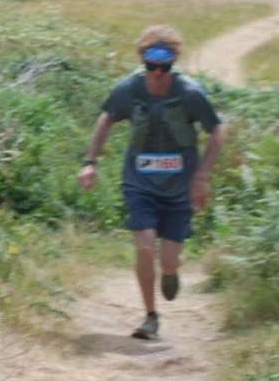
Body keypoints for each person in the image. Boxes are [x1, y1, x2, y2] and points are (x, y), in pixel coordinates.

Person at [76, 27, 225, 340]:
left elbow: (217, 131)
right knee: (144, 247)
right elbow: (106, 119)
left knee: (168, 260)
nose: (157, 74)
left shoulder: (189, 93)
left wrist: (201, 176)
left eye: (164, 67)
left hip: (179, 187)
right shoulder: (129, 89)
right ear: (143, 63)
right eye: (151, 66)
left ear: (173, 64)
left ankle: (170, 272)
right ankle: (150, 316)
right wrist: (90, 162)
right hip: (140, 182)